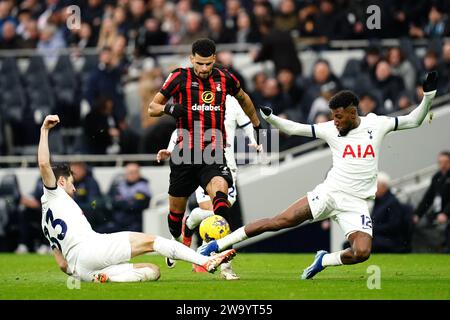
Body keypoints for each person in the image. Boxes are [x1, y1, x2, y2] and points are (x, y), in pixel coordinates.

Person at [199, 71, 438, 279]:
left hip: (356, 203)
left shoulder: (378, 124)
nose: (334, 121)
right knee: (278, 222)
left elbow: (415, 120)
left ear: (353, 113)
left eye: (338, 116)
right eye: (333, 116)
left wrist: (428, 95)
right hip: (329, 194)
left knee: (362, 253)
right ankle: (216, 244)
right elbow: (295, 128)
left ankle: (323, 261)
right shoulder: (331, 129)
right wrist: (271, 118)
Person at [38, 114, 236, 283]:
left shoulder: (46, 218)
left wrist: (82, 273)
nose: (74, 187)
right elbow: (44, 164)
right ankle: (205, 260)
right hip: (92, 248)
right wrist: (44, 130)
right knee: (154, 242)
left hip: (81, 268)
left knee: (153, 270)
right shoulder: (54, 193)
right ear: (61, 182)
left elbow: (63, 265)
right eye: (71, 182)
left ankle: (106, 277)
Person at [147, 39, 261, 266]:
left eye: (208, 64)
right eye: (199, 63)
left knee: (221, 193)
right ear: (191, 59)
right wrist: (170, 108)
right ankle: (178, 239)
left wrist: (257, 125)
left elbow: (244, 99)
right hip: (184, 154)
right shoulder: (179, 77)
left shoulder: (225, 78)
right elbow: (152, 108)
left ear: (214, 60)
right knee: (175, 219)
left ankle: (221, 250)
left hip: (213, 152)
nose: (203, 69)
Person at [157, 95, 260, 280]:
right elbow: (180, 131)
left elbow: (246, 123)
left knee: (220, 213)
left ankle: (191, 223)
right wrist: (170, 149)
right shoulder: (194, 100)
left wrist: (254, 140)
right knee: (219, 219)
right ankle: (224, 268)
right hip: (200, 163)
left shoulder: (231, 101)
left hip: (226, 164)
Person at [413, 151, 450, 253]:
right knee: (422, 226)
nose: (443, 165)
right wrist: (418, 214)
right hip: (438, 212)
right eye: (440, 162)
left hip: (446, 214)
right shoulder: (437, 177)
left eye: (445, 162)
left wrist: (446, 213)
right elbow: (428, 197)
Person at [99, 162, 151, 233]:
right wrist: (126, 202)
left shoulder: (143, 187)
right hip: (117, 222)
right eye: (130, 172)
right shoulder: (119, 186)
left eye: (135, 172)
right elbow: (110, 201)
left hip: (135, 223)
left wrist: (120, 202)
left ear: (139, 173)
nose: (132, 175)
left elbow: (136, 205)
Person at [371, 172, 412, 253]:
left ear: (384, 186)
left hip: (390, 240)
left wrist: (374, 229)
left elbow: (394, 226)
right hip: (378, 236)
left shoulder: (392, 203)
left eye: (376, 185)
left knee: (365, 246)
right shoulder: (377, 202)